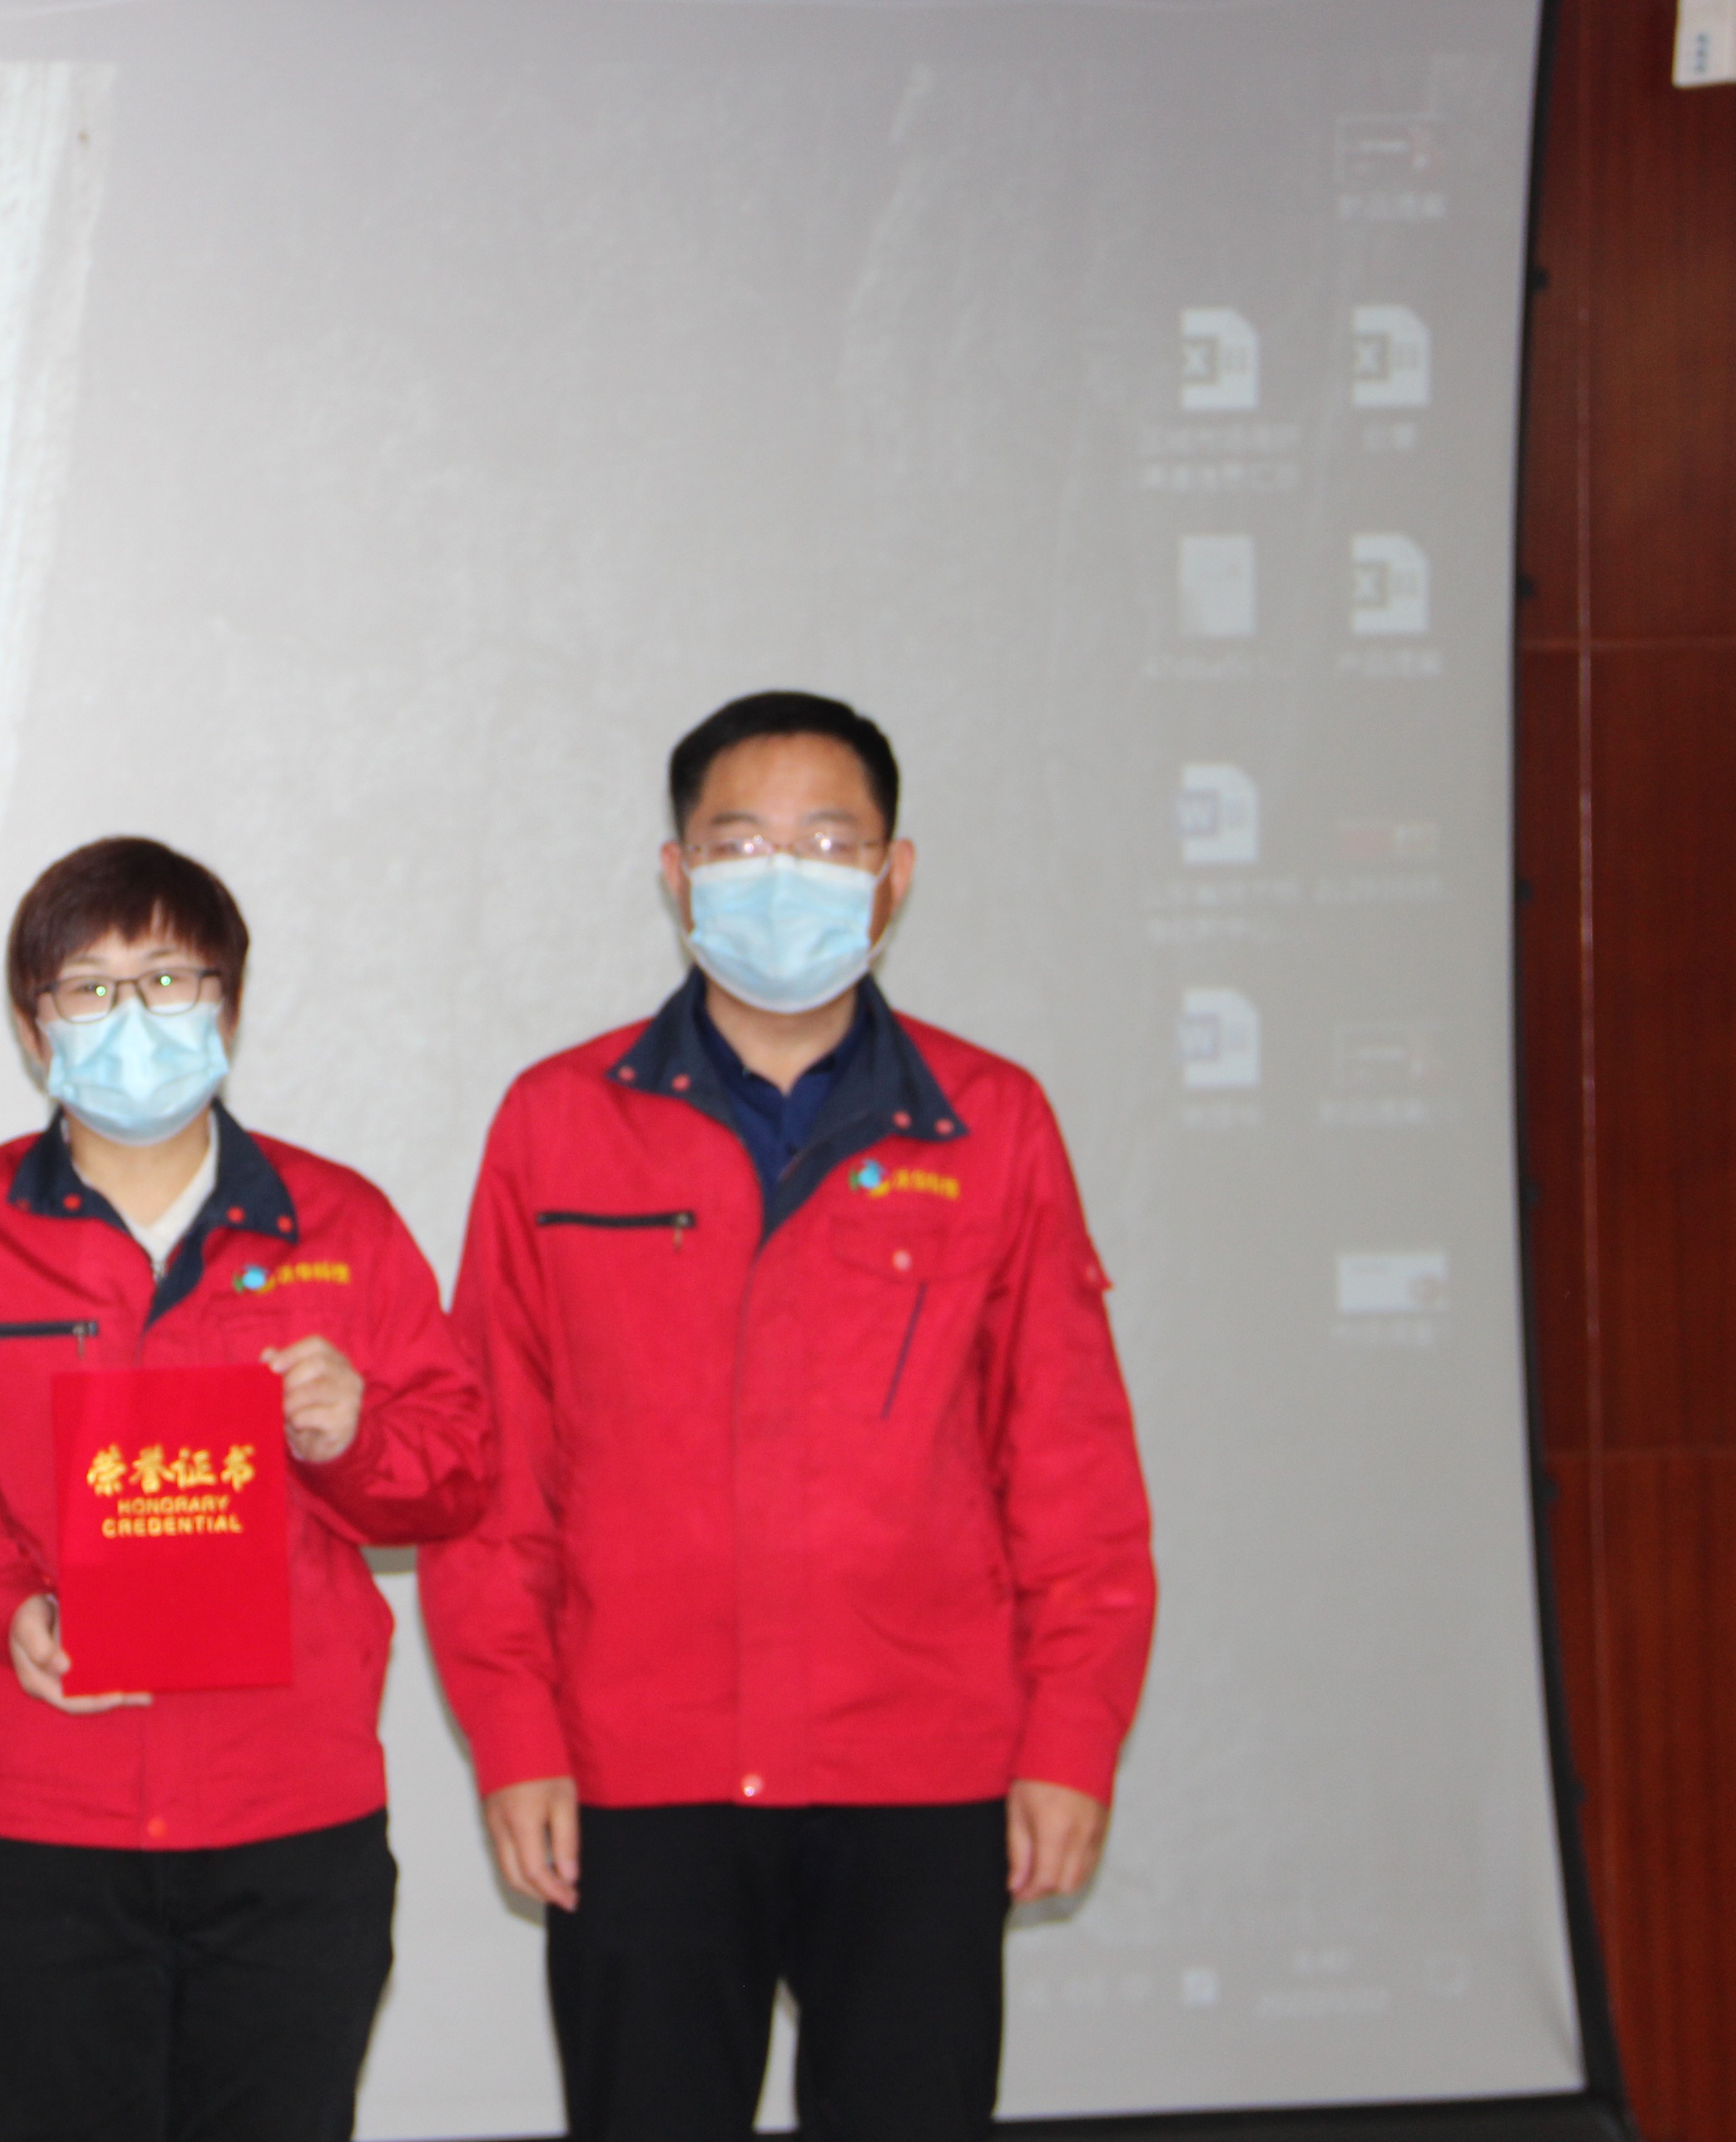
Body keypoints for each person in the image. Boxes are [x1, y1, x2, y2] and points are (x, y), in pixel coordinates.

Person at [418, 693, 1156, 2142]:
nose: (784, 876)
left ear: (895, 875)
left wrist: (1071, 1739)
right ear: (677, 872)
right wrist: (514, 1733)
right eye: (741, 843)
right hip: (640, 1773)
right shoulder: (557, 1123)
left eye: (828, 843)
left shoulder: (993, 1123)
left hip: (919, 1770)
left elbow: (1068, 1466)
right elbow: (495, 1474)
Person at [0, 837, 488, 2142]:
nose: (134, 1017)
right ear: (31, 1025)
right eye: (91, 989)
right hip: (44, 1822)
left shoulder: (344, 1226)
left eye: (169, 979)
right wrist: (2, 1605)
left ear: (230, 1002)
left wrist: (355, 1438)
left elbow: (457, 1473)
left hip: (292, 1825)